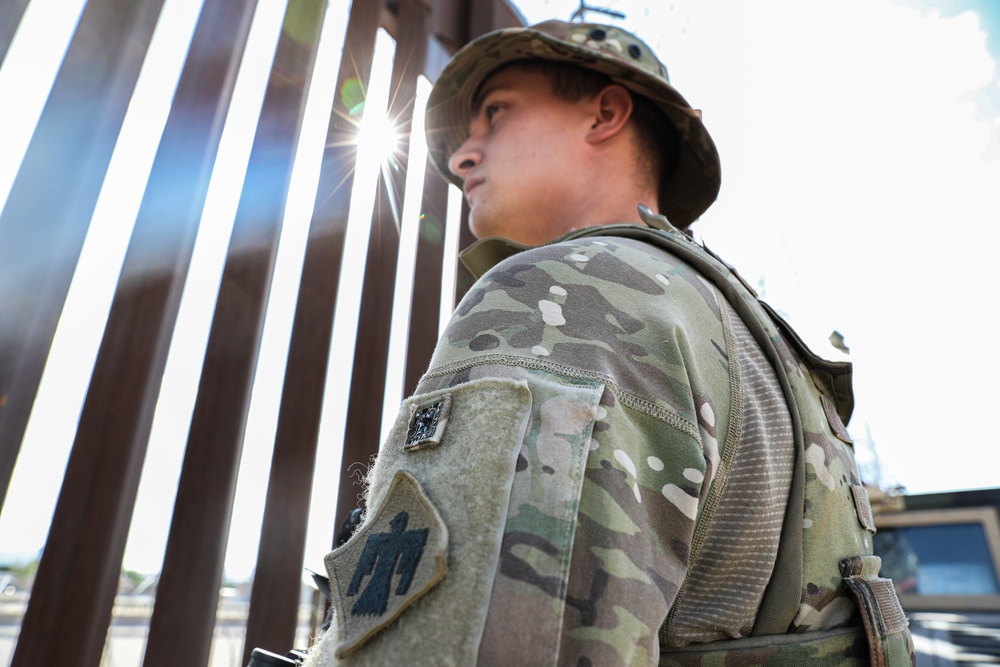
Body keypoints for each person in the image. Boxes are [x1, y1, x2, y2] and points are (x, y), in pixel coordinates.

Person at [303, 20, 915, 666]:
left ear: (606, 112)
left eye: (496, 113)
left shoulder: (569, 290)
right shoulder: (744, 329)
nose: (461, 157)